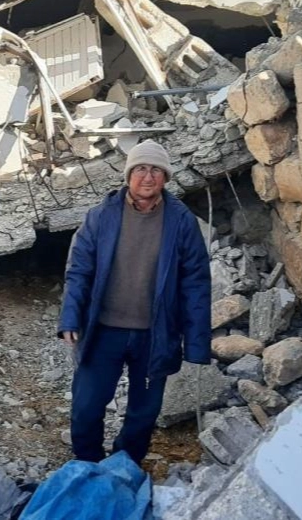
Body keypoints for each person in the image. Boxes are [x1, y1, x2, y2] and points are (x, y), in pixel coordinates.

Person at [58, 139, 211, 464]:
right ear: (128, 175)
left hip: (155, 334)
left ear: (166, 177)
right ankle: (87, 464)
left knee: (144, 412)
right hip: (104, 330)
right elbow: (79, 270)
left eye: (156, 170)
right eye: (140, 168)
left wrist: (197, 344)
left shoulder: (181, 221)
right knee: (87, 406)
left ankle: (125, 465)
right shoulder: (101, 216)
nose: (148, 176)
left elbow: (195, 283)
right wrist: (70, 317)